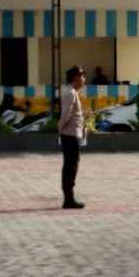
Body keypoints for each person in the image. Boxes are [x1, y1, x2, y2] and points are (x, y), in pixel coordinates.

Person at [60, 65, 86, 209]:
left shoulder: (73, 92)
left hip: (71, 134)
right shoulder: (70, 93)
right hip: (69, 135)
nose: (84, 79)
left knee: (71, 165)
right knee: (70, 166)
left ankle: (69, 198)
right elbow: (65, 115)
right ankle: (68, 199)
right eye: (82, 75)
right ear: (76, 78)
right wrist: (60, 130)